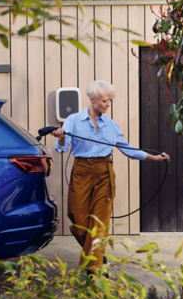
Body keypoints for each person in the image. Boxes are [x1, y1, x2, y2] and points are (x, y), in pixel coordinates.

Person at [52, 80, 169, 273]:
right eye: (105, 100)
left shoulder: (111, 126)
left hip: (104, 171)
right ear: (92, 99)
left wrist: (154, 158)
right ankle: (97, 256)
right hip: (81, 171)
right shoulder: (73, 120)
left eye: (110, 101)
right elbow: (63, 148)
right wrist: (61, 136)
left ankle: (94, 272)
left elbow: (128, 149)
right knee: (77, 216)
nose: (108, 104)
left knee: (100, 221)